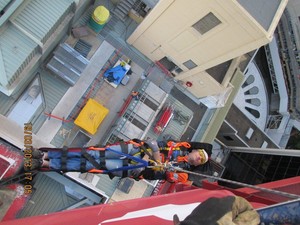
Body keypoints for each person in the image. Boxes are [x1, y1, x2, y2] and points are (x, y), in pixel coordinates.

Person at [25, 139, 212, 183]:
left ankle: (48, 163)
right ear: (194, 150)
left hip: (132, 168)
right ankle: (48, 155)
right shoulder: (176, 146)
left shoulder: (180, 171)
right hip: (135, 151)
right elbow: (153, 143)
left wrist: (156, 166)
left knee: (91, 164)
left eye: (200, 160)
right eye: (200, 154)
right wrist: (153, 159)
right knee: (94, 153)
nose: (198, 158)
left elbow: (153, 174)